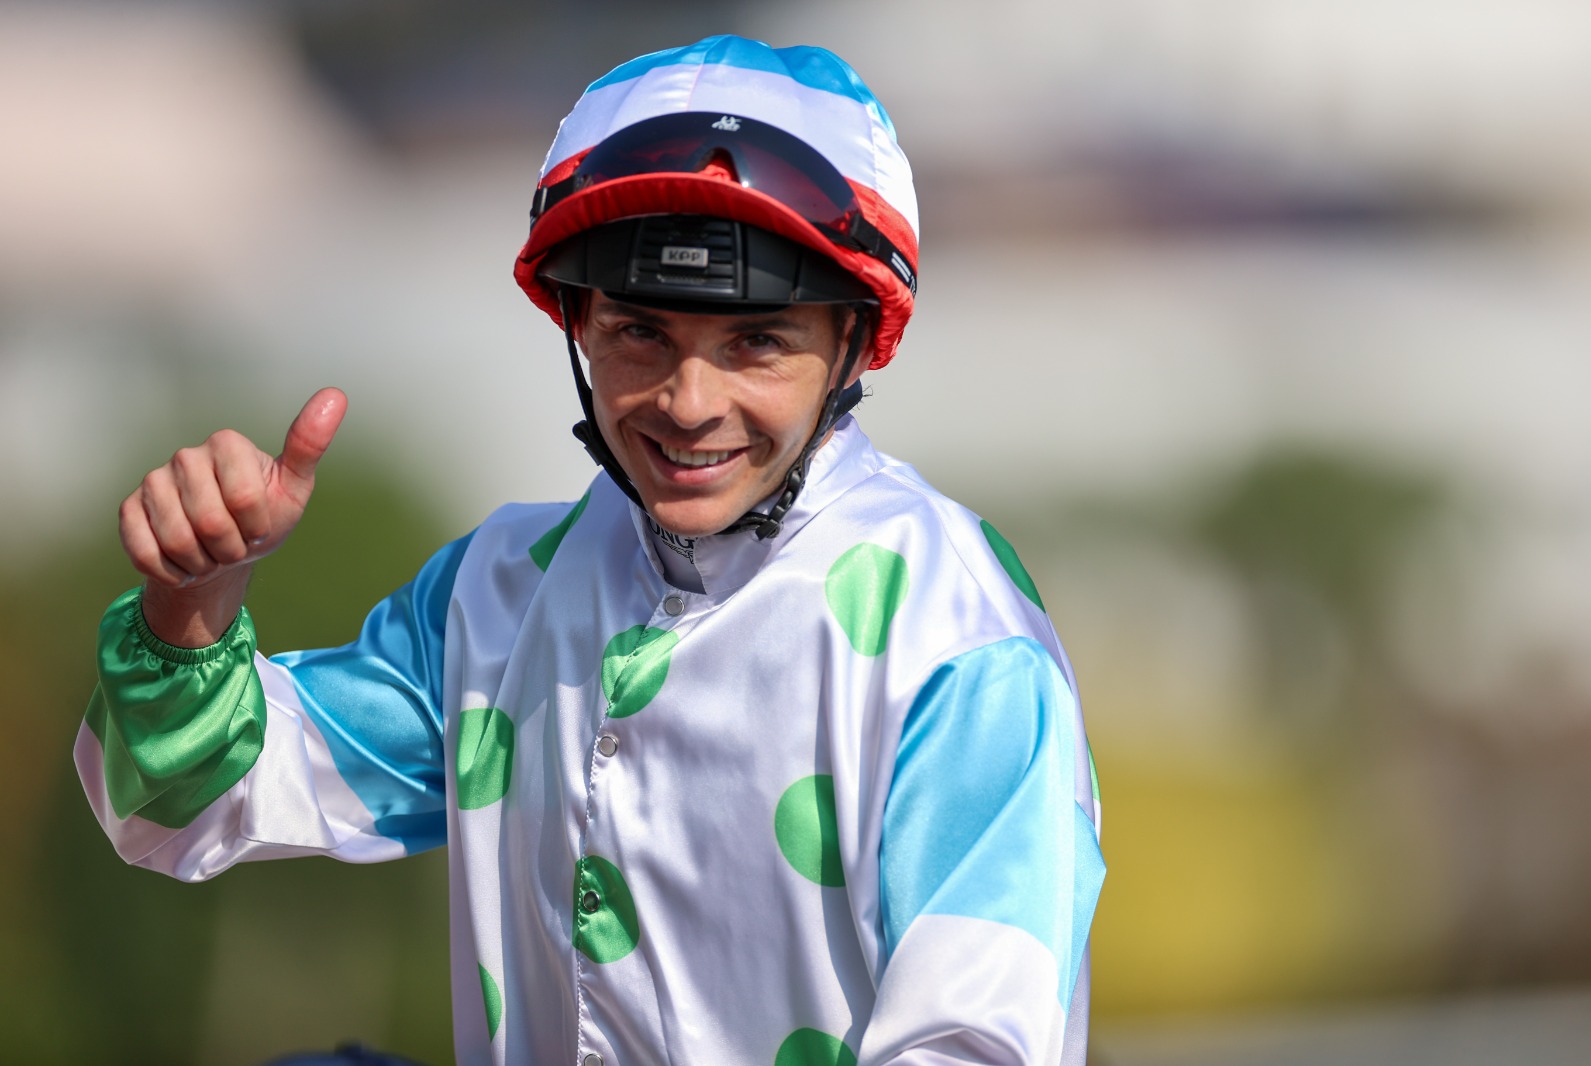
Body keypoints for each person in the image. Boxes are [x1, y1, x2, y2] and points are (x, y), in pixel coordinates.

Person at [77, 34, 1106, 1066]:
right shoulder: (498, 589)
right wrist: (191, 604)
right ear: (577, 319)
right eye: (639, 334)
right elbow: (189, 805)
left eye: (755, 341)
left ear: (852, 338)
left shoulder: (955, 642)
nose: (689, 404)